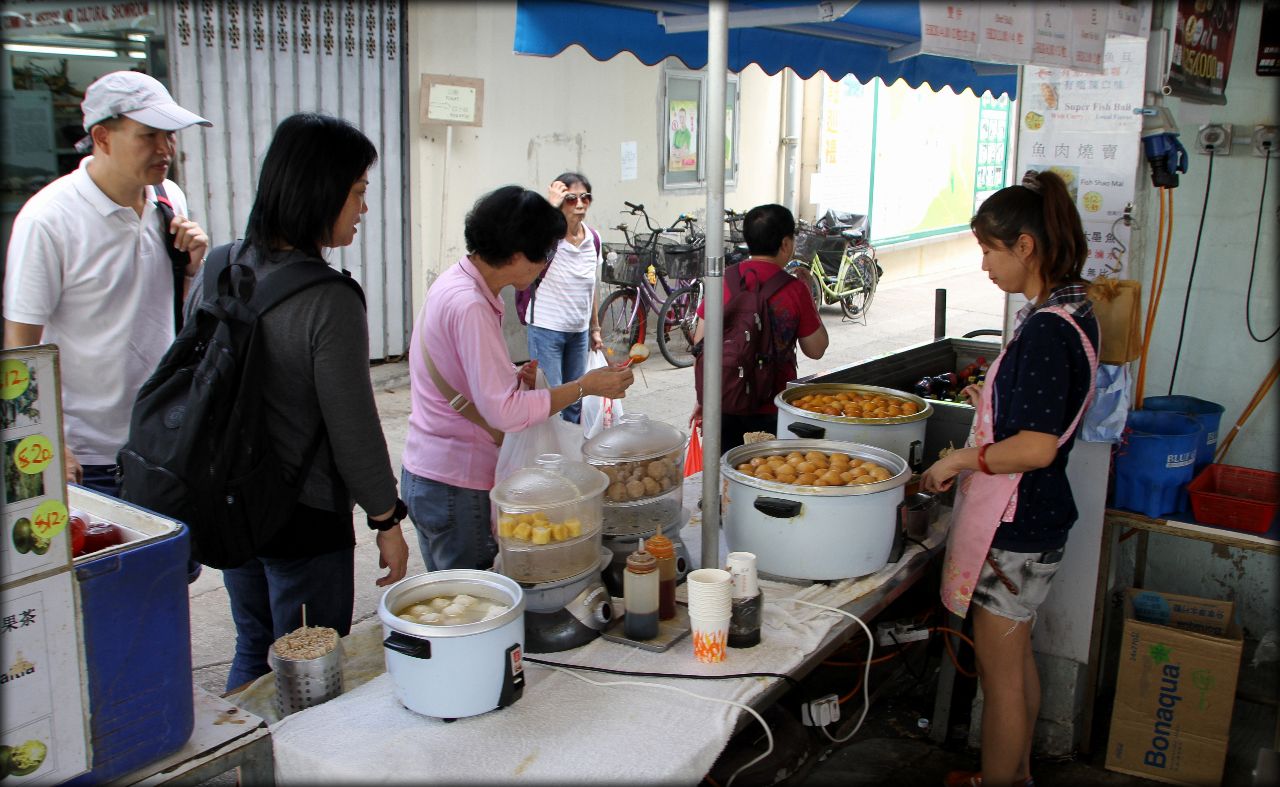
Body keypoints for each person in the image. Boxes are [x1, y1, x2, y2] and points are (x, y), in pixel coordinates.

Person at [183, 113, 409, 691]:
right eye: (357, 192)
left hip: (231, 500)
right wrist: (386, 519)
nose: (362, 208)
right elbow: (352, 425)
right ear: (320, 191)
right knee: (309, 669)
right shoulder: (328, 299)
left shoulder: (220, 266)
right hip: (302, 516)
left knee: (254, 647)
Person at [921, 170, 1099, 787]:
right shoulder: (1071, 306)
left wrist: (957, 459)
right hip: (1039, 519)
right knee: (1016, 659)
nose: (985, 266)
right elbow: (1035, 415)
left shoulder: (1050, 328)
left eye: (989, 251)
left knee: (1000, 679)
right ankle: (1014, 776)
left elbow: (1037, 447)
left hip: (1019, 524)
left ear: (1024, 246)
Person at [402, 185, 634, 572]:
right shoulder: (471, 305)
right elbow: (505, 413)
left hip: (428, 473)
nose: (545, 265)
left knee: (455, 597)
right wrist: (584, 386)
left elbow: (462, 376)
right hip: (456, 484)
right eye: (543, 254)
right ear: (514, 254)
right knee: (472, 611)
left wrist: (511, 376)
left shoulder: (454, 283)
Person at [3, 71, 211, 496]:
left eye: (169, 135)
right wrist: (48, 441)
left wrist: (190, 268)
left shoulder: (168, 198)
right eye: (148, 135)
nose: (165, 148)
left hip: (164, 436)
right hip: (86, 456)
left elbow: (167, 314)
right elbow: (21, 346)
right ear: (102, 137)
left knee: (176, 562)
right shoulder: (48, 220)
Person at [691, 203, 828, 452]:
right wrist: (809, 295)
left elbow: (700, 345)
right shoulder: (795, 289)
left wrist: (705, 398)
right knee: (769, 478)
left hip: (725, 404)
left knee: (727, 482)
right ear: (786, 244)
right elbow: (816, 349)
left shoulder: (722, 281)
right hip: (773, 410)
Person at [525, 173, 604, 424]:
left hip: (578, 333)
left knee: (575, 400)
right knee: (550, 400)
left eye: (585, 198)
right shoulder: (548, 237)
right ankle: (549, 459)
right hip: (547, 329)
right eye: (571, 199)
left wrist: (595, 328)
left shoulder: (594, 239)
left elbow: (592, 285)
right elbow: (525, 242)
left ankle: (570, 455)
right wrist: (548, 206)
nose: (579, 204)